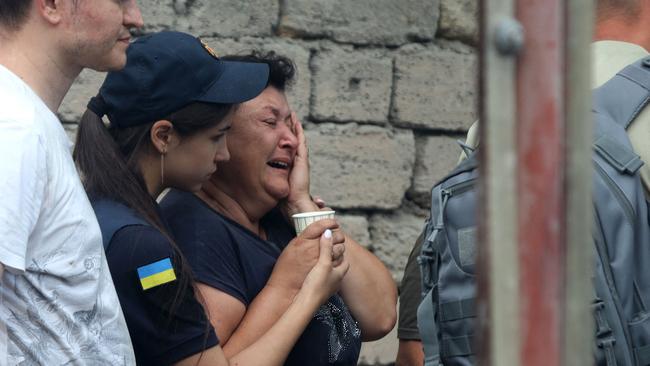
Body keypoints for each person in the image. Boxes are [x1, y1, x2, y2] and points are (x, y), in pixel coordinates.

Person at [74, 31, 348, 366]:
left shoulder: (101, 209)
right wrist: (310, 294)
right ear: (164, 136)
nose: (224, 154)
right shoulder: (144, 251)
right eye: (217, 137)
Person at [159, 51, 398, 365]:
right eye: (270, 122)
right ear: (220, 134)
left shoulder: (280, 216)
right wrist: (289, 286)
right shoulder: (197, 229)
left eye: (292, 126)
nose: (291, 140)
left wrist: (303, 203)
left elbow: (379, 315)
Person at [0, 0, 143, 364]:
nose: (135, 17)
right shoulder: (14, 127)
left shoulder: (24, 119)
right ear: (51, 4)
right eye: (120, 0)